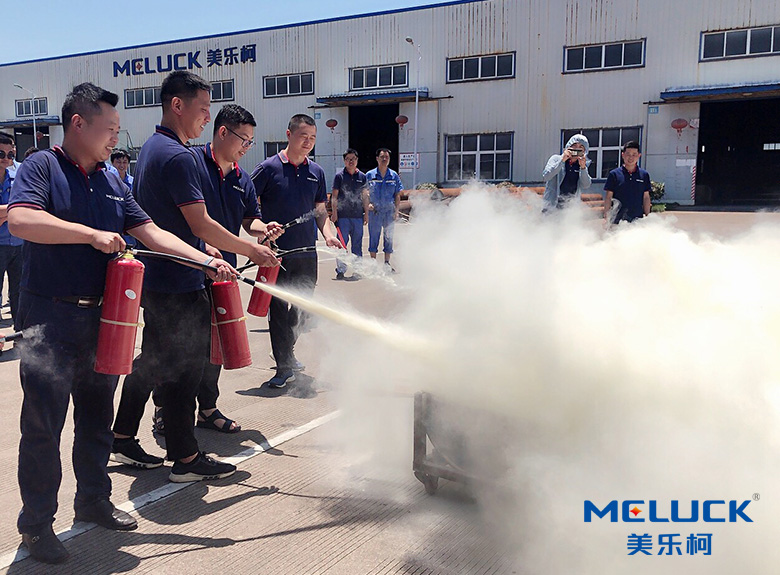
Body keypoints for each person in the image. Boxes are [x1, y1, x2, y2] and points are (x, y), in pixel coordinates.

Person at [7, 82, 235, 565]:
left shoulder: (112, 180)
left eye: (117, 129)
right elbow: (22, 221)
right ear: (78, 124)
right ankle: (37, 525)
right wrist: (90, 235)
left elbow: (150, 231)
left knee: (97, 418)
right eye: (109, 129)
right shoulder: (42, 167)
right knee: (44, 426)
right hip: (49, 319)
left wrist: (205, 261)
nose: (116, 138)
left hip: (102, 320)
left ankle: (92, 499)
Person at [112, 71, 269, 481]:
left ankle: (122, 434)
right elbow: (198, 223)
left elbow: (169, 222)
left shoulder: (152, 147)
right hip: (179, 282)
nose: (206, 119)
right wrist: (249, 249)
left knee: (152, 361)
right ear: (177, 105)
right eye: (202, 110)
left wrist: (206, 249)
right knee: (184, 371)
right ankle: (184, 459)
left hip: (161, 277)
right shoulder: (180, 156)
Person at [146, 104, 282, 435]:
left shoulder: (241, 178)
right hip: (187, 268)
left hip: (223, 273)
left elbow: (249, 219)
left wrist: (263, 229)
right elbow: (195, 222)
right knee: (174, 347)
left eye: (250, 142)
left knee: (214, 346)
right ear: (223, 132)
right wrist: (247, 249)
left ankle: (207, 408)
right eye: (243, 140)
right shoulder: (190, 164)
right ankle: (167, 411)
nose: (246, 147)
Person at [251, 114, 342, 388]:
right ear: (289, 134)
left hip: (306, 254)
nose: (308, 143)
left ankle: (286, 350)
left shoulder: (316, 172)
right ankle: (283, 367)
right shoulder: (267, 169)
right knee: (278, 309)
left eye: (313, 138)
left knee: (302, 309)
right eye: (304, 136)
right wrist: (260, 231)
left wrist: (328, 234)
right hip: (276, 255)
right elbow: (247, 205)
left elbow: (320, 211)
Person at [331, 148, 368, 280]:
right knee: (342, 244)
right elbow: (334, 196)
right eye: (348, 159)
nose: (350, 161)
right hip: (343, 217)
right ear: (344, 161)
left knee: (357, 244)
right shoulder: (339, 177)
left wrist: (366, 214)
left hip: (357, 216)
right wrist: (334, 212)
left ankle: (357, 270)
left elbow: (365, 197)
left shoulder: (362, 177)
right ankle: (341, 270)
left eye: (353, 159)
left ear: (357, 160)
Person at [365, 148, 403, 272]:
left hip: (389, 211)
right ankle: (373, 264)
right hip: (375, 212)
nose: (384, 159)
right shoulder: (370, 175)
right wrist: (367, 205)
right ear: (377, 158)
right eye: (382, 157)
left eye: (387, 157)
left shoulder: (393, 175)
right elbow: (364, 193)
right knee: (374, 236)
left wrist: (396, 211)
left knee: (388, 237)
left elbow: (397, 194)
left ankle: (387, 263)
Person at [0, 133, 22, 329]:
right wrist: (15, 208)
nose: (6, 159)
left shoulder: (17, 177)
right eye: (1, 154)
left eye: (10, 154)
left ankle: (19, 334)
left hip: (18, 244)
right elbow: (22, 208)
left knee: (19, 292)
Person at [603, 140, 651, 224]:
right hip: (617, 220)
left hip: (637, 220)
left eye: (634, 155)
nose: (631, 157)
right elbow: (608, 197)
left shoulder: (644, 175)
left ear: (639, 156)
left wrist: (647, 216)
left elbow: (646, 197)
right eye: (628, 154)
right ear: (623, 155)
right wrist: (607, 217)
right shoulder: (614, 174)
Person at [541, 134, 592, 212]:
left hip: (570, 211)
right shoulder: (555, 159)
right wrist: (562, 161)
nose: (577, 149)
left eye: (581, 147)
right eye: (574, 145)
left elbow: (586, 185)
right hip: (551, 207)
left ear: (585, 151)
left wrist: (583, 168)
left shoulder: (583, 165)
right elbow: (546, 176)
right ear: (568, 146)